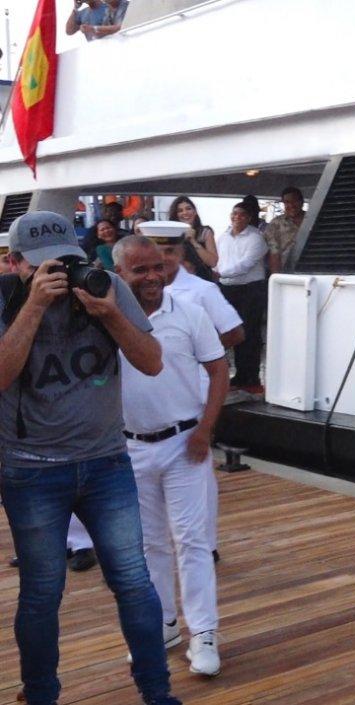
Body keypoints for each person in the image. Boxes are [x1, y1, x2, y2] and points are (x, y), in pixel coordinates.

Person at [0, 211, 178, 705]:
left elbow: (151, 360)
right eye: (44, 266)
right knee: (41, 591)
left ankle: (157, 693)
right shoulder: (5, 298)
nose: (61, 273)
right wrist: (33, 308)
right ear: (15, 264)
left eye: (69, 262)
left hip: (106, 462)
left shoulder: (107, 289)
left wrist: (111, 313)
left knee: (133, 581)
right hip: (31, 468)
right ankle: (40, 694)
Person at [115, 235, 227, 678]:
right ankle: (162, 626)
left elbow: (218, 371)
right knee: (149, 545)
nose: (152, 277)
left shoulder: (190, 313)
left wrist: (206, 430)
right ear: (119, 274)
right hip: (129, 448)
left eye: (157, 267)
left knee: (193, 541)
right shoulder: (108, 317)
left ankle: (203, 632)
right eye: (140, 270)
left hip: (185, 444)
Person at [149, 225, 244, 565]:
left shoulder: (201, 291)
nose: (162, 259)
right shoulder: (132, 291)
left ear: (181, 253)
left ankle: (206, 542)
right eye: (154, 252)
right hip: (150, 399)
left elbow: (235, 331)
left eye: (169, 252)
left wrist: (201, 353)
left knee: (197, 471)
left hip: (193, 396)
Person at [214, 203, 267, 394]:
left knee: (250, 334)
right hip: (228, 289)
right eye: (234, 213)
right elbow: (218, 261)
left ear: (249, 217)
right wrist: (218, 273)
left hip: (250, 290)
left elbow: (245, 265)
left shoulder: (256, 238)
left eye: (242, 214)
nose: (237, 217)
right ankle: (240, 375)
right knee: (232, 331)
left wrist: (220, 274)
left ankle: (250, 376)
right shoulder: (223, 237)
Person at [167, 196, 219, 281]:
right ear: (176, 215)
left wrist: (193, 241)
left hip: (202, 280)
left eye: (188, 208)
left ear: (195, 212)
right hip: (179, 281)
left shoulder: (205, 232)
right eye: (180, 210)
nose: (185, 213)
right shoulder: (172, 234)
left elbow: (213, 262)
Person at [265, 187, 305, 274]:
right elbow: (274, 254)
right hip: (287, 272)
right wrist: (276, 277)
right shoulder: (275, 224)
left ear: (302, 201)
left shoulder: (313, 219)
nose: (291, 205)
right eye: (287, 202)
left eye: (295, 201)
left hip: (312, 270)